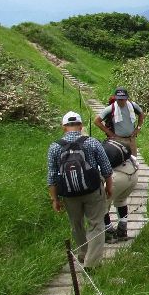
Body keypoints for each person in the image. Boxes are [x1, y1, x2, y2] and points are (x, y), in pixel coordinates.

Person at [47, 111, 113, 269]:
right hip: (92, 191)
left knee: (76, 224)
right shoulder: (92, 142)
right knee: (96, 224)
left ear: (63, 127)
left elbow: (51, 177)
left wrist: (55, 199)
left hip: (69, 194)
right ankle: (92, 263)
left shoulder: (55, 147)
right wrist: (109, 187)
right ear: (81, 126)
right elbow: (106, 168)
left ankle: (83, 253)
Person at [102, 137, 139, 243]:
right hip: (133, 173)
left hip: (118, 177)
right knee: (121, 200)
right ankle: (122, 230)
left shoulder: (98, 150)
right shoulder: (113, 145)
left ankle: (109, 233)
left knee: (102, 204)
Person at [94, 87, 145, 156]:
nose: (121, 101)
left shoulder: (133, 106)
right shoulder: (110, 109)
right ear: (116, 98)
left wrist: (138, 128)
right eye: (119, 99)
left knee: (134, 161)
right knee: (120, 163)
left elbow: (141, 114)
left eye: (123, 99)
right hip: (117, 141)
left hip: (131, 139)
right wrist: (110, 134)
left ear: (127, 98)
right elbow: (96, 121)